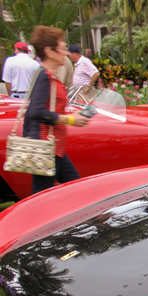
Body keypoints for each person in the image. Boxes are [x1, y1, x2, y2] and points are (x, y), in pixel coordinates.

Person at [25, 26, 89, 194]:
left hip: (53, 149)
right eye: (62, 49)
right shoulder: (45, 77)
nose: (66, 53)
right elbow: (36, 112)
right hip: (46, 149)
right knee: (45, 197)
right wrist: (70, 120)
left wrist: (73, 116)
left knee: (76, 189)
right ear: (49, 51)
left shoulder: (50, 76)